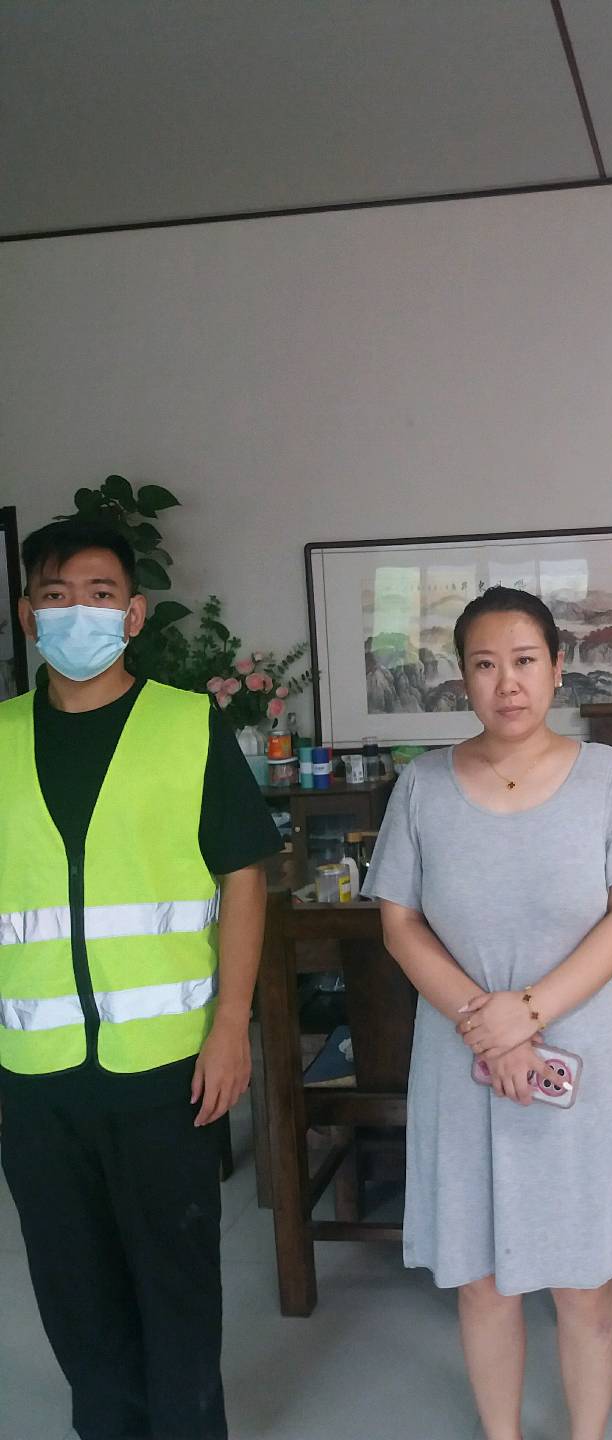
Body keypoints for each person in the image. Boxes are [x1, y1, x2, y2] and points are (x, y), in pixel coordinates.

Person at [0, 518, 282, 1440]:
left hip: (168, 1068)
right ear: (27, 615)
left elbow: (244, 875)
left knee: (177, 1285)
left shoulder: (187, 724)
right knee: (73, 1293)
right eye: (55, 596)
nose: (75, 612)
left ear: (133, 614)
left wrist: (232, 1024)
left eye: (98, 594)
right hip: (33, 1077)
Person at [362, 585, 612, 1440]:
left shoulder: (607, 777)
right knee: (482, 1279)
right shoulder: (422, 786)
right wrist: (486, 1026)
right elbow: (400, 924)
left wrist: (525, 1014)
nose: (508, 683)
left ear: (557, 668)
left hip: (580, 1050)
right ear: (462, 677)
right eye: (485, 665)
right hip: (461, 1056)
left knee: (584, 1280)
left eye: (525, 661)